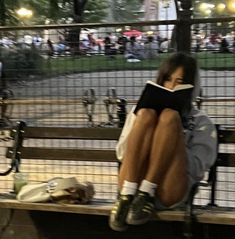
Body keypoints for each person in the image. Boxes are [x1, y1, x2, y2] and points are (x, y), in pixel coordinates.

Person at [109, 52, 217, 232]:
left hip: (169, 188)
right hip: (132, 183)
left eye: (180, 81)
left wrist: (174, 137)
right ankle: (128, 195)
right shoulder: (140, 113)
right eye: (167, 79)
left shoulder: (201, 121)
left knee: (169, 117)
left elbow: (197, 169)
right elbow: (122, 153)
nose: (172, 86)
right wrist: (144, 129)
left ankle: (147, 191)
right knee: (146, 114)